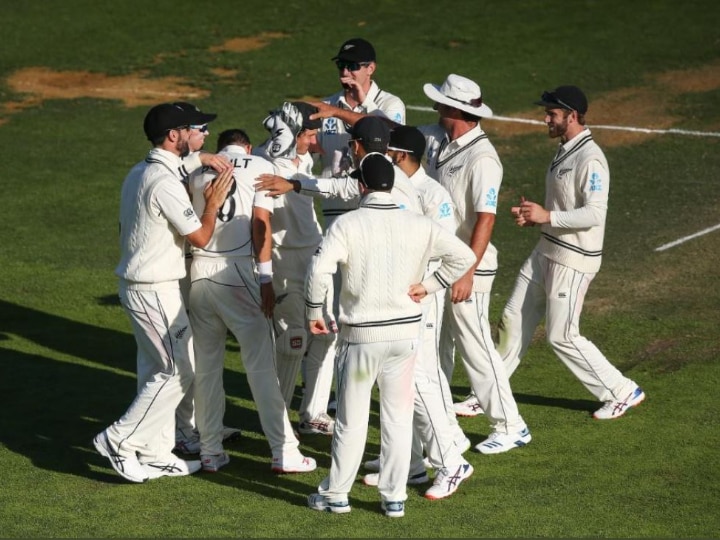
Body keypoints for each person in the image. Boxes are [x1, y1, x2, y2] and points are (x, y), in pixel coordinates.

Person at [305, 153, 476, 517]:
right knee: (397, 417)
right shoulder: (418, 222)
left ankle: (336, 494)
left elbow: (319, 270)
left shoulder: (348, 224)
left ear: (362, 186)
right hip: (404, 340)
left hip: (362, 341)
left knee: (351, 420)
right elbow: (463, 257)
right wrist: (430, 286)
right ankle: (393, 497)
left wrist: (313, 312)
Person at [93, 102, 234, 483]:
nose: (200, 133)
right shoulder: (165, 183)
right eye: (193, 129)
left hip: (144, 285)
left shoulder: (141, 170)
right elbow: (201, 237)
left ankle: (155, 452)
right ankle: (118, 440)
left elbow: (175, 166)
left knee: (156, 369)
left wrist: (201, 156)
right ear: (174, 136)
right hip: (154, 290)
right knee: (177, 370)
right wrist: (214, 204)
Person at [498, 85, 646, 420]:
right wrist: (535, 216)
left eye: (551, 113)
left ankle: (622, 391)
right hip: (547, 250)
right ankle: (489, 393)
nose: (545, 119)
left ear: (572, 116)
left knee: (562, 335)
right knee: (512, 318)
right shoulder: (565, 149)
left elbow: (594, 213)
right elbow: (563, 205)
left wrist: (547, 216)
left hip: (573, 259)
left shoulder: (591, 158)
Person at [187, 127, 317, 474]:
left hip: (199, 273)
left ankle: (210, 451)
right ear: (245, 146)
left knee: (207, 368)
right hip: (238, 272)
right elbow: (261, 226)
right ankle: (283, 451)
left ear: (222, 147)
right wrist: (265, 279)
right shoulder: (258, 164)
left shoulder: (198, 171)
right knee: (261, 366)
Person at [421, 74, 531, 454]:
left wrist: (466, 269)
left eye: (440, 103)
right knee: (439, 346)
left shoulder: (483, 159)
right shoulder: (439, 137)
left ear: (456, 110)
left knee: (477, 345)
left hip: (468, 267)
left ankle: (511, 425)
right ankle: (447, 428)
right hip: (443, 262)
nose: (434, 108)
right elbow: (393, 132)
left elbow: (486, 218)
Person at [361, 125, 473, 500]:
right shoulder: (392, 188)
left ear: (400, 155)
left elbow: (448, 250)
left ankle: (451, 457)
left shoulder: (432, 193)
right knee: (397, 383)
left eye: (387, 152)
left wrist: (426, 285)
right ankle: (407, 464)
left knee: (418, 381)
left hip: (420, 300)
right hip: (394, 300)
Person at [255, 102, 338, 435]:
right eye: (310, 134)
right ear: (295, 134)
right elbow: (259, 222)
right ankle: (278, 421)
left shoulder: (301, 156)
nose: (314, 140)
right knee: (292, 340)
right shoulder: (265, 166)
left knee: (327, 332)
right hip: (283, 259)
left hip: (315, 256)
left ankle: (314, 413)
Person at [316, 37, 406, 228]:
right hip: (335, 211)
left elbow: (393, 136)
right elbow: (309, 153)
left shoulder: (390, 104)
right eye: (341, 65)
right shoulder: (327, 106)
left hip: (375, 210)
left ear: (371, 69)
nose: (345, 72)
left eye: (352, 66)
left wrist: (362, 105)